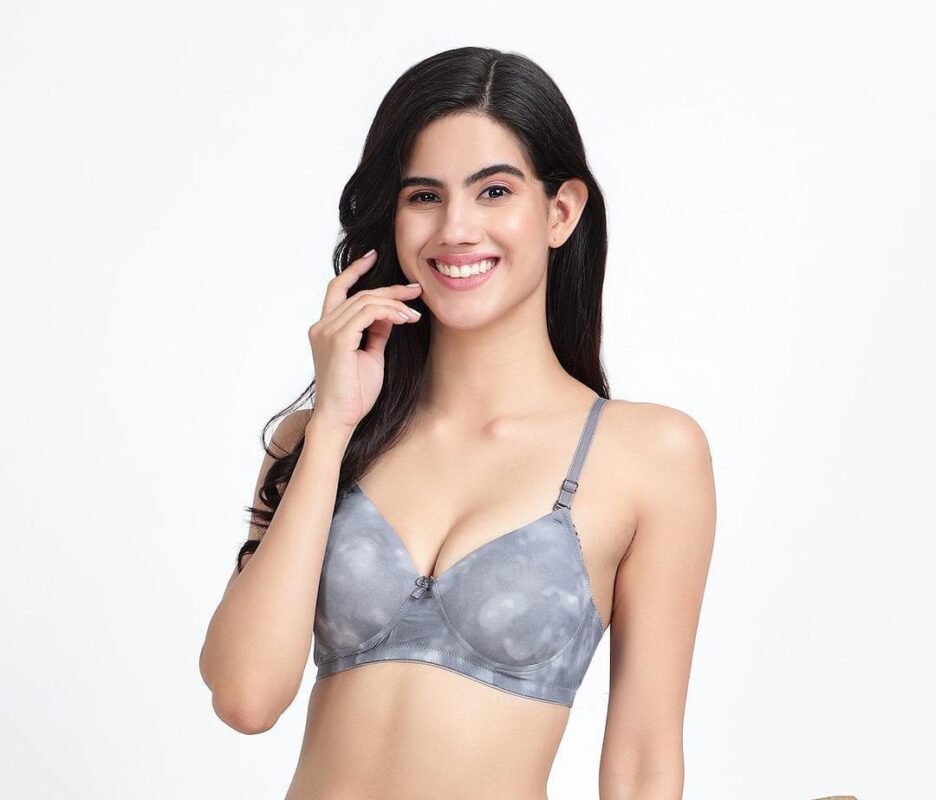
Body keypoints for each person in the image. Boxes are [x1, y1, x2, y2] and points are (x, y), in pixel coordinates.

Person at [199, 46, 716, 799]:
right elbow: (245, 696)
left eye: (494, 190)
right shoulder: (314, 443)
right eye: (424, 196)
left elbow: (643, 762)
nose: (456, 229)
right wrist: (334, 425)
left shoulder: (650, 455)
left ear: (561, 212)